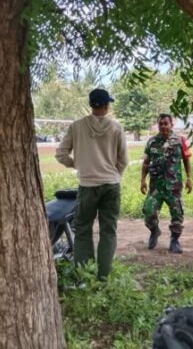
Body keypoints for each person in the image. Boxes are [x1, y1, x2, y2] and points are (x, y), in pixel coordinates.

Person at [55, 88, 128, 280]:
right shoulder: (116, 128)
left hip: (87, 185)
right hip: (111, 185)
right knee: (108, 231)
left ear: (90, 105)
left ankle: (84, 275)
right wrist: (114, 174)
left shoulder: (76, 126)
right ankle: (103, 277)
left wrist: (77, 164)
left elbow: (61, 154)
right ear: (106, 105)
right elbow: (123, 160)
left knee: (83, 230)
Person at [141, 114, 193, 254]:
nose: (163, 126)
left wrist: (189, 178)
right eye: (161, 124)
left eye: (166, 123)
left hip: (173, 187)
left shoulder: (180, 140)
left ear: (171, 125)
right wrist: (142, 180)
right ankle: (154, 231)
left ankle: (174, 241)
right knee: (148, 211)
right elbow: (145, 162)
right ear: (158, 125)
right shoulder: (151, 142)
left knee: (177, 215)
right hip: (156, 187)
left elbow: (186, 160)